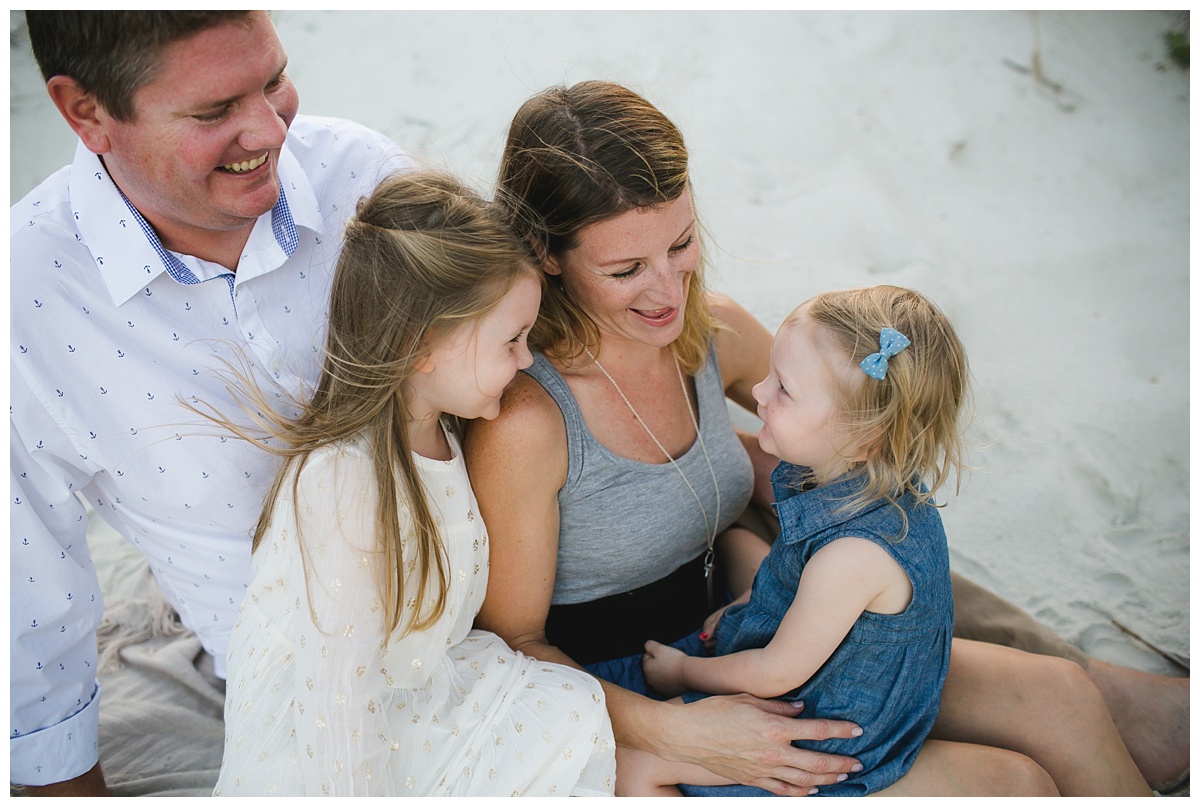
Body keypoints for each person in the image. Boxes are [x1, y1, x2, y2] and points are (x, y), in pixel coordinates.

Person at [464, 79, 1171, 797]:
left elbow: (842, 416)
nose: (669, 293)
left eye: (681, 245)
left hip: (761, 620)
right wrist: (672, 727)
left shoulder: (717, 331)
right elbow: (514, 650)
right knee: (1012, 781)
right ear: (546, 254)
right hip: (642, 686)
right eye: (625, 270)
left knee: (1058, 698)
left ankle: (1140, 719)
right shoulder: (530, 419)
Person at [10, 11, 411, 795]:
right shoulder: (24, 297)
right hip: (291, 697)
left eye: (272, 80)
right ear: (85, 111)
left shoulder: (365, 177)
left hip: (505, 623)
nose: (269, 128)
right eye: (214, 111)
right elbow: (25, 600)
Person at [204, 170, 616, 796]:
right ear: (423, 346)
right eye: (512, 339)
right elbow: (338, 701)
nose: (528, 361)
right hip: (332, 754)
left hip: (417, 692)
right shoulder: (345, 478)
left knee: (576, 714)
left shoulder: (444, 433)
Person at [618, 285, 966, 796]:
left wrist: (682, 671)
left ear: (865, 434)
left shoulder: (854, 557)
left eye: (783, 389)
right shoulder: (861, 480)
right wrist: (748, 607)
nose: (758, 392)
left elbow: (771, 675)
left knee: (632, 765)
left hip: (820, 732)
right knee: (738, 544)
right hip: (828, 660)